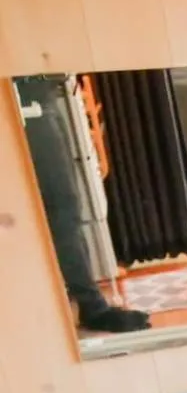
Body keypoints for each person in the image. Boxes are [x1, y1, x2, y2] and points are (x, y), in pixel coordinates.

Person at [14, 74, 149, 334]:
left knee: (61, 210)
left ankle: (84, 304)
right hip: (27, 96)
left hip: (37, 94)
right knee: (61, 210)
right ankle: (90, 307)